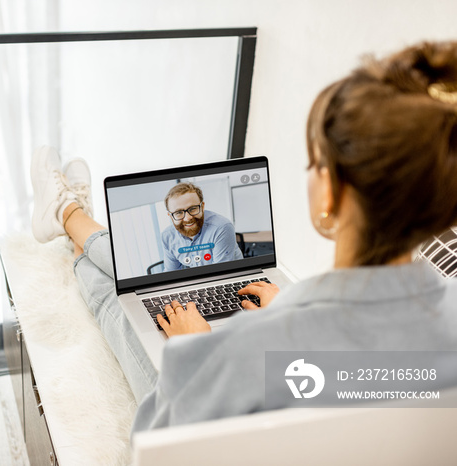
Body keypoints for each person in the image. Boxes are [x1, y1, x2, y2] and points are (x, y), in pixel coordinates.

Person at [29, 40, 457, 433]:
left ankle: (70, 217)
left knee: (115, 297)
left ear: (331, 190)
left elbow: (155, 450)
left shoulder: (245, 351)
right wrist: (290, 307)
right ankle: (72, 222)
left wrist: (196, 356)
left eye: (314, 163)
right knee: (127, 286)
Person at [161, 182, 243, 271]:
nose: (188, 218)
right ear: (170, 216)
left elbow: (221, 273)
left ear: (202, 206)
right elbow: (171, 273)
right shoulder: (167, 236)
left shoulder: (221, 227)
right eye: (178, 213)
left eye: (193, 209)